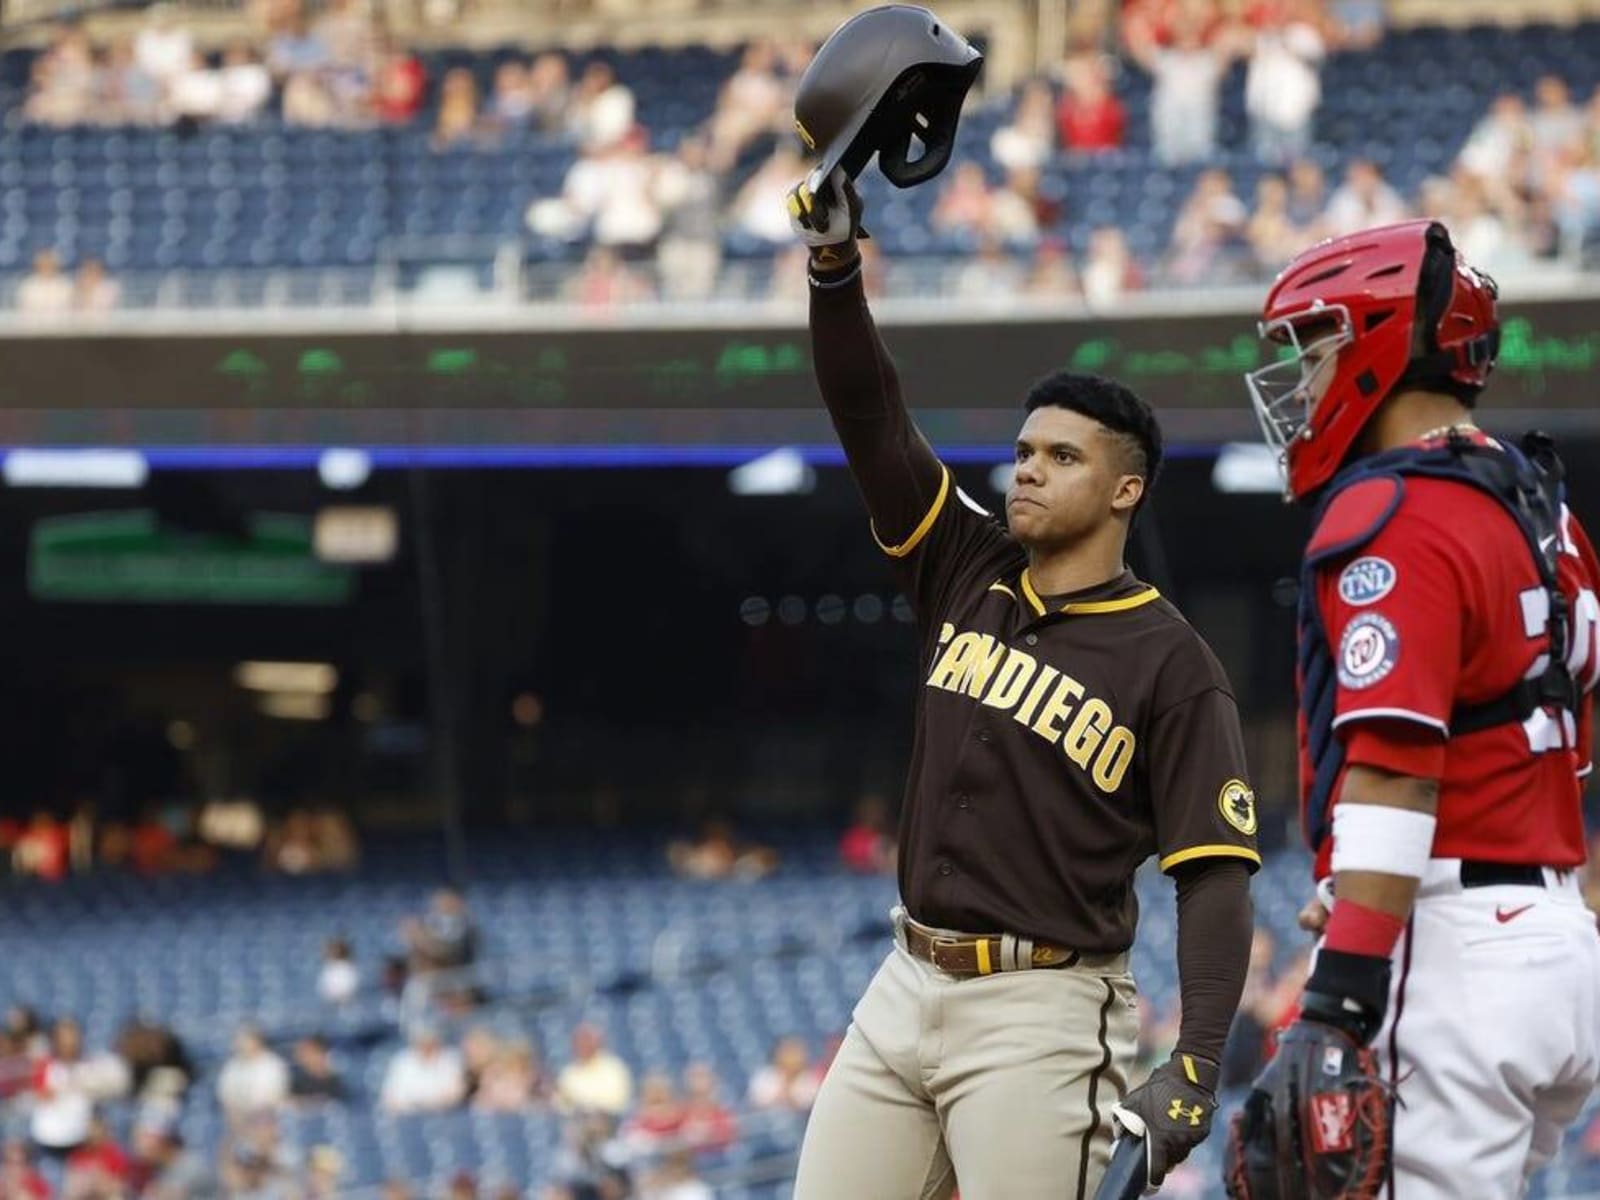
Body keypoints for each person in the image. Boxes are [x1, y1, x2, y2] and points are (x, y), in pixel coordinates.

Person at [783, 168, 1258, 1198]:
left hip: (1042, 1010)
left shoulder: (1173, 664)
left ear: (1125, 488)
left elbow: (1213, 870)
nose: (1027, 471)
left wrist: (1199, 1060)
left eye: (1062, 457)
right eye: (1022, 451)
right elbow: (871, 419)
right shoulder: (967, 561)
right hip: (904, 980)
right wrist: (832, 267)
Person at [1226, 219, 1600, 1197]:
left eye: (1313, 350)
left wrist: (1338, 999)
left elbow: (1396, 767)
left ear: (1375, 342)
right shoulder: (1544, 509)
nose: (1300, 385)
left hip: (1448, 955)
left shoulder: (1390, 507)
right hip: (1556, 946)